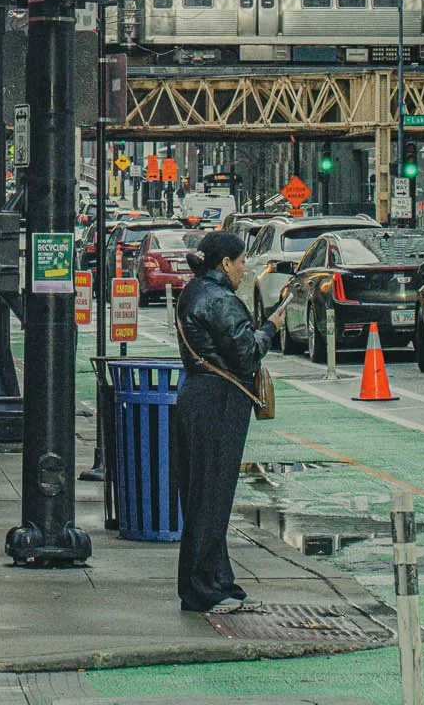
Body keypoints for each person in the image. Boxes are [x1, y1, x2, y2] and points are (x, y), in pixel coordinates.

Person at [173, 229, 286, 617]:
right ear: (225, 263)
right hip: (217, 402)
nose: (244, 271)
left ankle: (216, 578)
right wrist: (270, 326)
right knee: (211, 495)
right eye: (240, 264)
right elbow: (247, 354)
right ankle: (202, 586)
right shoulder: (218, 299)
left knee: (206, 494)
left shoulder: (196, 291)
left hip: (200, 398)